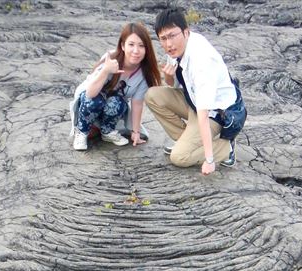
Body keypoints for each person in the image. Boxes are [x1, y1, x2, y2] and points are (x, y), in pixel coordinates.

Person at [145, 7, 238, 175]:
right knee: (153, 96)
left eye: (172, 36)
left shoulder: (201, 62)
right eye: (163, 38)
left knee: (179, 158)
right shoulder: (177, 49)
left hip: (216, 114)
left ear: (186, 32)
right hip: (193, 101)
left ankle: (225, 148)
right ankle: (187, 141)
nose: (168, 44)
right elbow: (175, 87)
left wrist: (209, 160)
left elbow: (203, 114)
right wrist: (168, 78)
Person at [70, 22, 161, 151]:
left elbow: (137, 104)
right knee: (96, 100)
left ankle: (107, 131)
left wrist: (135, 132)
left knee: (118, 101)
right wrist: (106, 70)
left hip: (109, 110)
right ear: (123, 46)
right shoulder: (111, 60)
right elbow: (89, 94)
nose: (136, 51)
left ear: (147, 49)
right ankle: (82, 131)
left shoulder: (143, 73)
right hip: (88, 105)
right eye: (131, 44)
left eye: (141, 46)